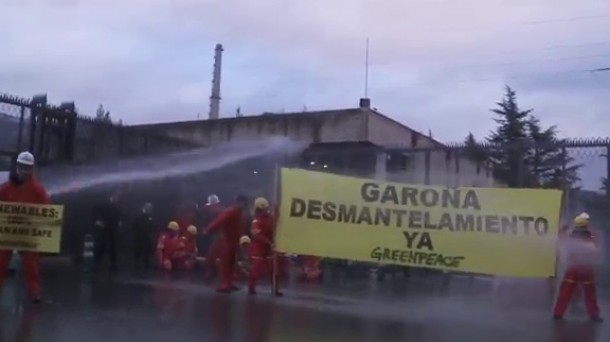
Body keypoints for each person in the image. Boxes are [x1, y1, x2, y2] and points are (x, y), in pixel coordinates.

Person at [0, 151, 49, 304]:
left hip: (29, 233)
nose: (24, 171)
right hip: (7, 232)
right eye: (22, 167)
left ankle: (34, 292)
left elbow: (47, 211)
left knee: (31, 262)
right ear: (17, 167)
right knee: (0, 260)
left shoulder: (38, 190)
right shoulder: (5, 188)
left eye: (28, 168)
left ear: (32, 169)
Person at [552, 213, 602, 322]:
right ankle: (594, 315)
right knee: (588, 292)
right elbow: (595, 246)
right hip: (584, 268)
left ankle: (558, 313)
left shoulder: (572, 235)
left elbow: (562, 240)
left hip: (576, 267)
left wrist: (563, 231)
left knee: (566, 291)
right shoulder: (590, 235)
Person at [204, 195, 249, 293]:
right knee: (225, 263)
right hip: (226, 240)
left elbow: (241, 228)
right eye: (242, 203)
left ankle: (229, 282)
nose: (244, 205)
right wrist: (208, 230)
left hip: (234, 241)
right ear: (238, 202)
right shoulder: (231, 212)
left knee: (232, 262)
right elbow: (218, 221)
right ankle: (224, 284)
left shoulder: (241, 214)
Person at [247, 197, 282, 296]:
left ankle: (275, 288)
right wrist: (269, 242)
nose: (262, 211)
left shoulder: (271, 217)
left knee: (273, 269)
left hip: (269, 246)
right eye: (259, 210)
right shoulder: (255, 221)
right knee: (256, 268)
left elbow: (278, 218)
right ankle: (251, 287)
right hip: (258, 247)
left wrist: (277, 208)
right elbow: (257, 236)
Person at [93, 192, 123, 271]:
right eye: (116, 197)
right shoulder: (105, 206)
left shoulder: (117, 207)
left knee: (112, 247)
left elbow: (118, 216)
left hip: (112, 229)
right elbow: (99, 215)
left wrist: (119, 222)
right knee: (102, 246)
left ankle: (112, 264)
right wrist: (98, 221)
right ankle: (97, 264)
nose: (117, 199)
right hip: (105, 229)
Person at [132, 203, 155, 268]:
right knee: (139, 248)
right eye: (149, 207)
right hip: (139, 235)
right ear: (145, 207)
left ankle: (146, 262)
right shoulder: (138, 214)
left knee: (147, 248)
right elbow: (135, 224)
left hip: (147, 234)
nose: (150, 209)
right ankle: (136, 261)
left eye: (150, 207)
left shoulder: (150, 215)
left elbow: (151, 224)